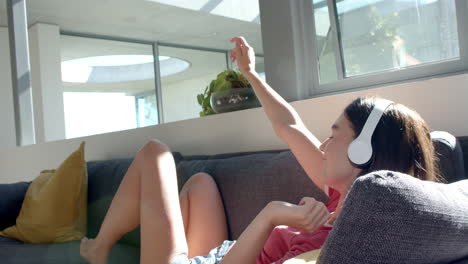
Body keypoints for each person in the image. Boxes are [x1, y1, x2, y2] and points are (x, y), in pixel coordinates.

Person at [80, 36, 441, 264]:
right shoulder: (343, 195)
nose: (324, 144)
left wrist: (272, 214)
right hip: (222, 252)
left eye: (334, 135)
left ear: (361, 153)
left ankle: (100, 249)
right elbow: (289, 125)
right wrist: (251, 73)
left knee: (154, 153)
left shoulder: (335, 243)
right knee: (201, 183)